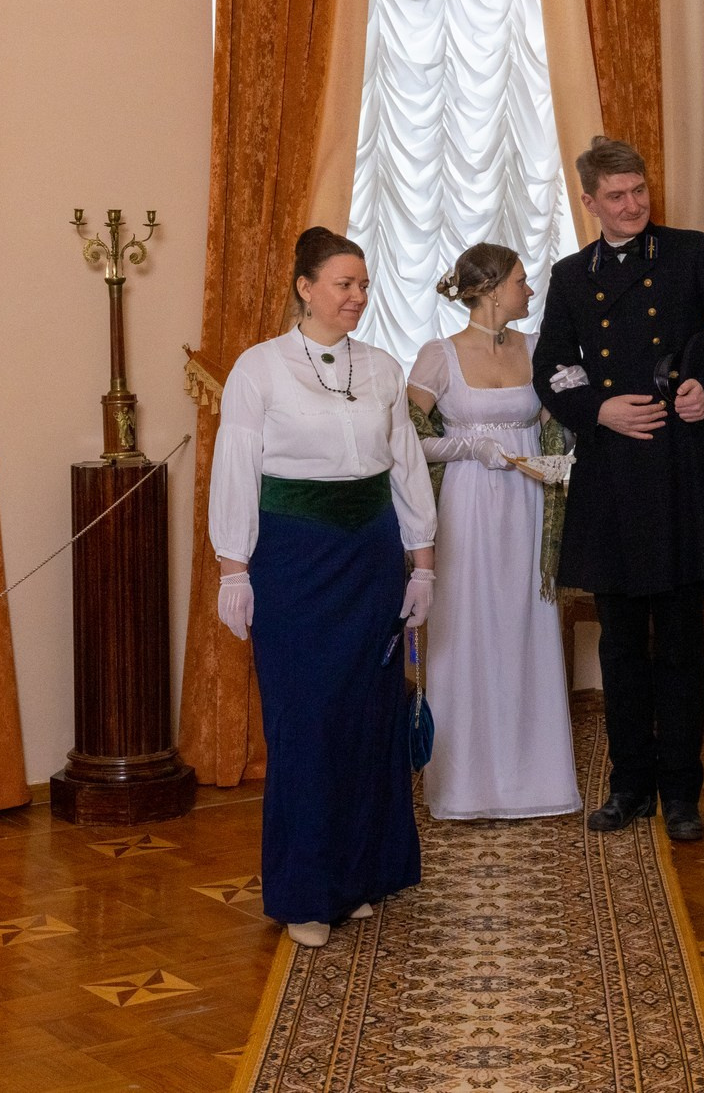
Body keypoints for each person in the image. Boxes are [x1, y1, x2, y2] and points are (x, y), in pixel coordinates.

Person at [208, 228, 439, 948]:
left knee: (370, 721)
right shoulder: (260, 368)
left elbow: (405, 467)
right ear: (305, 287)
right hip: (294, 561)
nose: (357, 297)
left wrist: (422, 563)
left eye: (364, 285)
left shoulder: (381, 367)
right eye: (343, 283)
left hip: (370, 557)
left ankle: (361, 877)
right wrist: (232, 567)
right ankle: (306, 892)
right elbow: (236, 466)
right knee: (306, 724)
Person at [535, 136, 704, 845]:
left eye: (639, 191)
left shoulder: (693, 253)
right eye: (617, 196)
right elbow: (553, 366)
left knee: (680, 645)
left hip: (678, 470)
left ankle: (683, 794)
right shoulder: (572, 277)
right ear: (589, 202)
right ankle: (628, 786)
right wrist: (596, 409)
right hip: (609, 476)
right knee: (620, 647)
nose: (633, 205)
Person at [407, 242, 581, 822]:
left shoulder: (539, 349)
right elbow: (408, 441)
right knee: (470, 626)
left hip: (530, 502)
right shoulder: (439, 356)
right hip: (469, 505)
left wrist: (563, 446)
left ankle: (534, 776)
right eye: (520, 281)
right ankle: (465, 784)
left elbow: (564, 418)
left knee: (525, 624)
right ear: (489, 288)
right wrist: (473, 448)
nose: (529, 291)